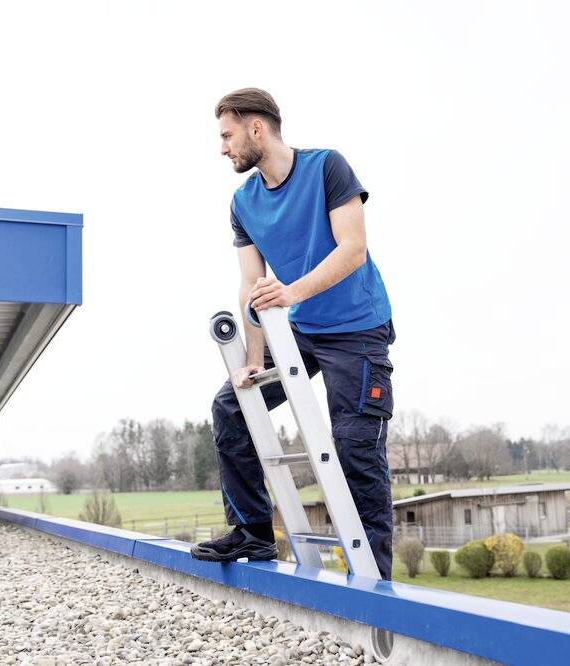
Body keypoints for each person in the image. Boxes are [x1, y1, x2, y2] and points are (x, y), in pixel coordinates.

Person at [190, 88, 396, 580]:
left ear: (256, 128)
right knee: (232, 406)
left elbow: (353, 250)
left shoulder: (328, 167)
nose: (222, 148)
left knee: (354, 446)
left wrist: (290, 294)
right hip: (297, 332)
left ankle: (375, 581)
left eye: (227, 135)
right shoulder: (243, 202)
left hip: (357, 330)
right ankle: (253, 533)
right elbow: (250, 286)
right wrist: (255, 359)